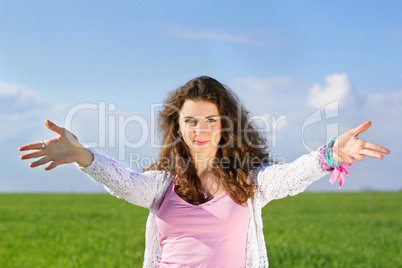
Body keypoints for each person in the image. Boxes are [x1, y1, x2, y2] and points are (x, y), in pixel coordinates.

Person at [19, 76, 390, 267]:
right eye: (191, 121)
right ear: (178, 126)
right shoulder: (162, 183)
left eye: (210, 120)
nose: (201, 131)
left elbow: (289, 177)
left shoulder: (248, 181)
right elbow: (126, 183)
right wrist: (84, 155)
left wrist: (329, 155)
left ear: (225, 125)